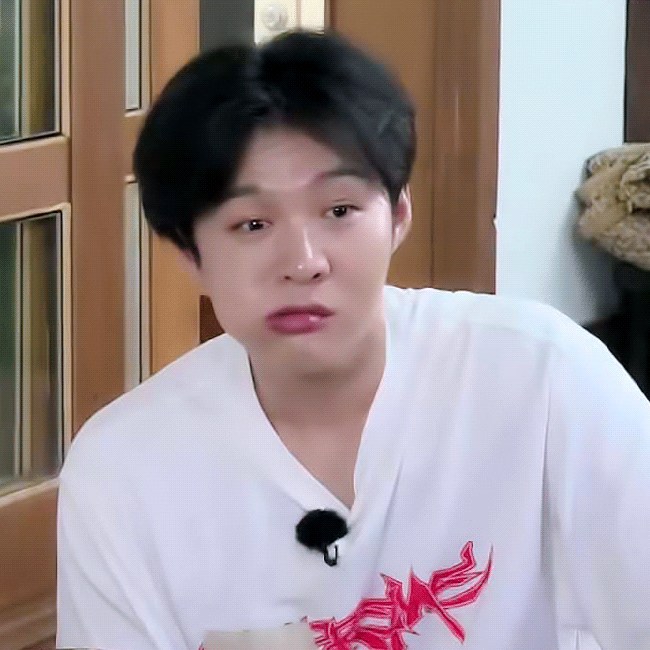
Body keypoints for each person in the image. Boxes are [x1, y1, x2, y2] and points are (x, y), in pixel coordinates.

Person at [56, 29, 650, 650]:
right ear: (190, 255)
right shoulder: (123, 470)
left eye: (339, 211)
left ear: (398, 215)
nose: (303, 262)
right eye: (252, 224)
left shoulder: (544, 377)